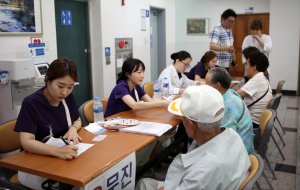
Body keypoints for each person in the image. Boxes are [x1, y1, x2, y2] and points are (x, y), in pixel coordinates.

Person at [136, 85, 250, 190]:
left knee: (143, 183)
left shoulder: (201, 173)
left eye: (183, 119)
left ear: (190, 124)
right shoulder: (233, 135)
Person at [14, 58, 82, 189]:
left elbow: (77, 119)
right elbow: (27, 142)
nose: (64, 92)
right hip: (35, 165)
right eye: (60, 86)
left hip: (62, 158)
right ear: (47, 80)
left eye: (70, 87)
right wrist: (57, 151)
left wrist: (73, 129)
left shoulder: (68, 98)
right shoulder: (31, 103)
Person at [205, 67, 254, 154]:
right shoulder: (229, 93)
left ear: (217, 86)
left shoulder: (227, 106)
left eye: (207, 84)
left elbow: (225, 139)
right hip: (240, 145)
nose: (205, 87)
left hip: (240, 154)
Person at [104, 58, 170, 118]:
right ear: (128, 74)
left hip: (126, 119)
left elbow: (150, 101)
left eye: (143, 72)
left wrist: (165, 103)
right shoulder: (120, 87)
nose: (142, 76)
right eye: (139, 72)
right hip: (111, 123)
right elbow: (134, 105)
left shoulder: (136, 86)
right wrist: (161, 103)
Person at [237, 50, 272, 130]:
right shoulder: (261, 77)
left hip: (252, 123)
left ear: (254, 67)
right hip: (255, 120)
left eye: (247, 64)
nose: (245, 67)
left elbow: (234, 95)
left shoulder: (257, 80)